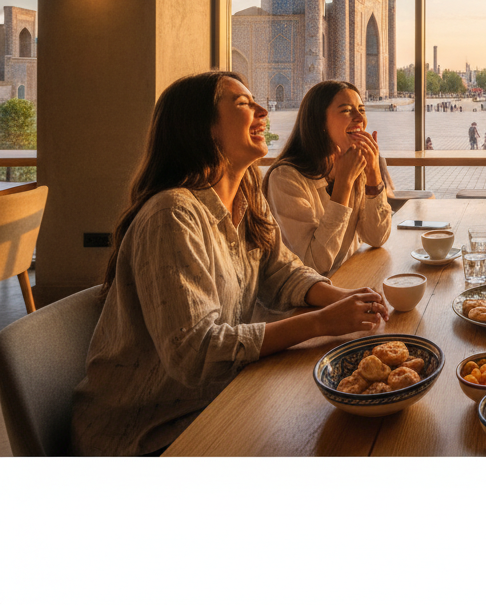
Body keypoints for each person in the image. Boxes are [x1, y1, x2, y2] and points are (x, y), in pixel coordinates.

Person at [71, 71, 389, 456]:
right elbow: (195, 351)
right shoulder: (172, 215)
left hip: (217, 397)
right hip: (150, 431)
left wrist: (343, 298)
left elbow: (283, 269)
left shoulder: (246, 195)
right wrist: (322, 322)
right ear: (203, 128)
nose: (263, 110)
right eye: (243, 104)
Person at [264, 80, 392, 277]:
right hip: (305, 304)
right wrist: (344, 183)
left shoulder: (354, 164)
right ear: (319, 122)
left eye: (361, 109)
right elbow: (314, 265)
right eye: (347, 110)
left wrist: (374, 173)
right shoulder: (285, 179)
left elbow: (377, 237)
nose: (359, 118)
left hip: (347, 286)